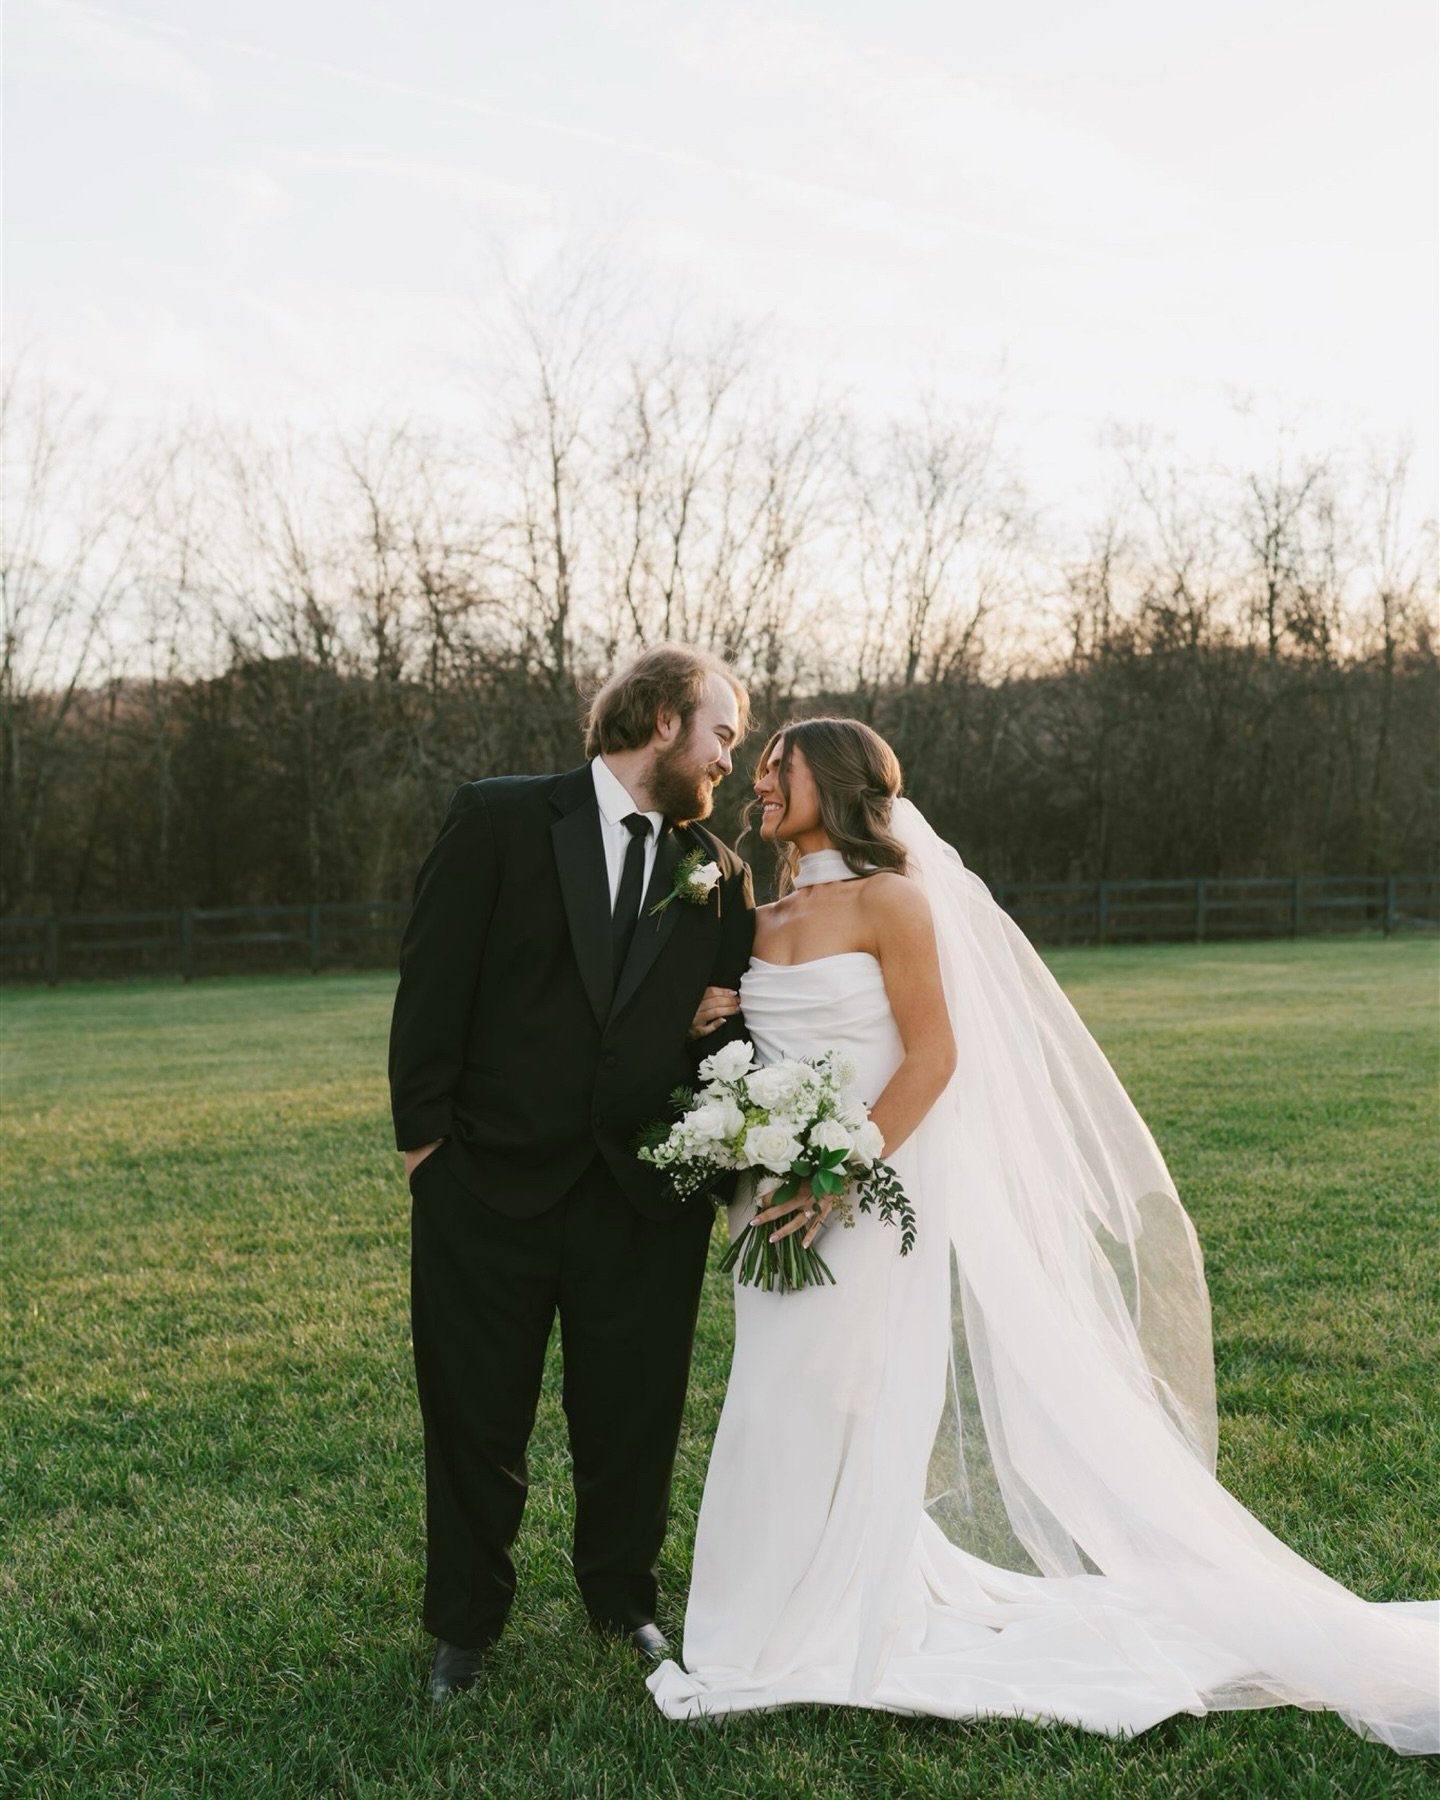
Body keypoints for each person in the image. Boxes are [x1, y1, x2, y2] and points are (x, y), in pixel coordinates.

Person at [648, 716, 1438, 1754]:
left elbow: (930, 1056)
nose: (756, 785)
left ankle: (824, 1616)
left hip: (861, 1197)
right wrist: (722, 1015)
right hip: (768, 1196)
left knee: (839, 1397)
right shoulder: (764, 906)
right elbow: (778, 1033)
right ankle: (765, 1608)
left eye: (776, 768)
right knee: (771, 1395)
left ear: (832, 783)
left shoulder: (896, 899)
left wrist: (846, 1170)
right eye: (754, 771)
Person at [388, 645, 755, 1702]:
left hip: (643, 1200)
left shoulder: (718, 874)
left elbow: (720, 1040)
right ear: (663, 721)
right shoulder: (501, 818)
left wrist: (710, 1044)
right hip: (484, 1184)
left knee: (633, 1413)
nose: (729, 759)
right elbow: (432, 980)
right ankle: (465, 1628)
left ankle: (623, 1600)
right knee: (472, 1413)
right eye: (722, 733)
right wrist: (427, 1152)